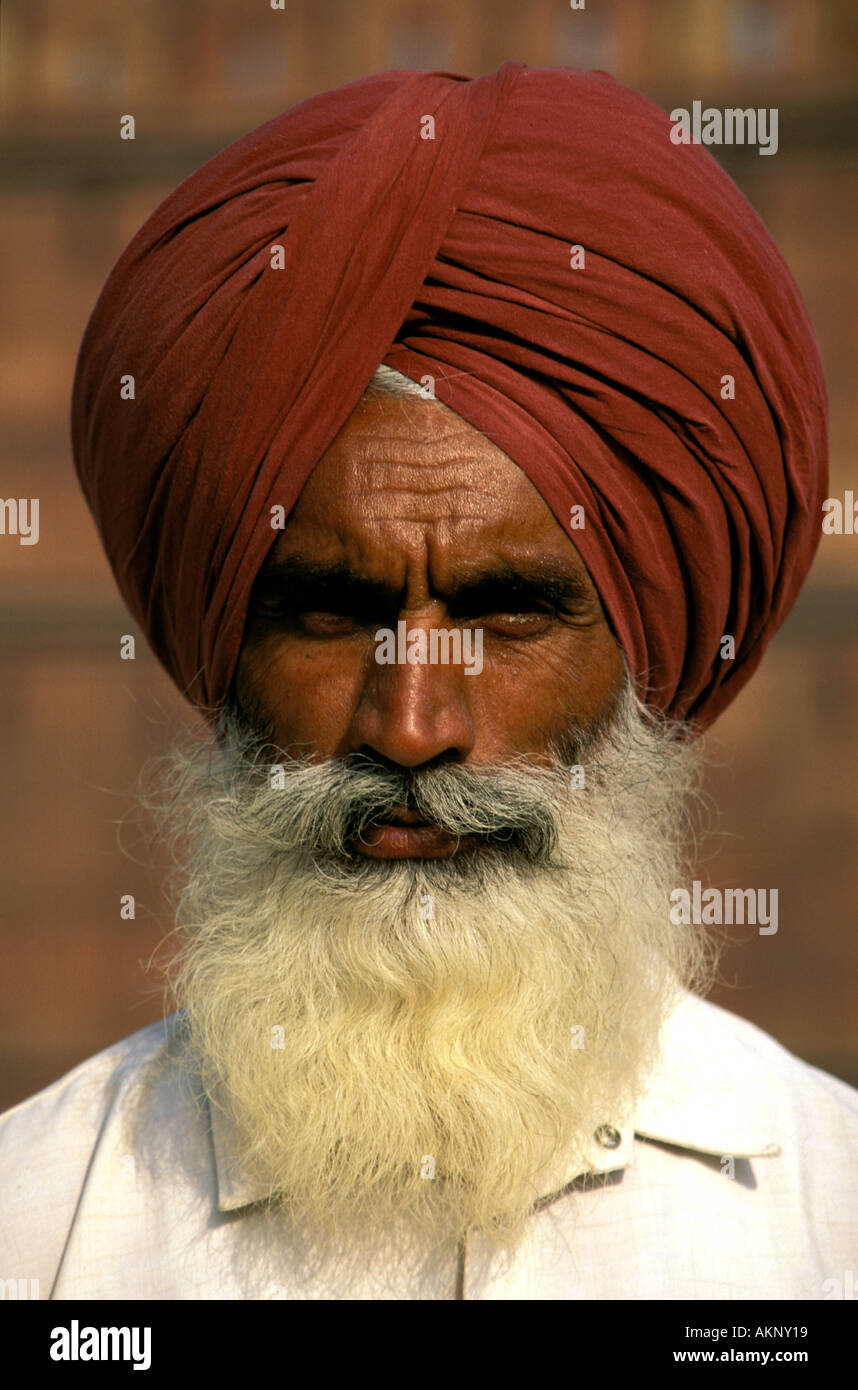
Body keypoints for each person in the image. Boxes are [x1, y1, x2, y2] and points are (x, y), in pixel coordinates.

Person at [1, 62, 855, 1300]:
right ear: (224, 652)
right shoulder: (38, 1238)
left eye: (510, 615)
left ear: (645, 661)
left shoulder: (825, 1229)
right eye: (330, 613)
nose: (410, 725)